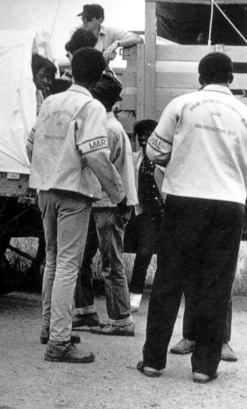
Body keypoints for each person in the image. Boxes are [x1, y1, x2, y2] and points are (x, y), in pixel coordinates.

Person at [138, 52, 247, 383]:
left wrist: (182, 160)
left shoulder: (182, 105)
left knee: (169, 280)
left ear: (200, 77)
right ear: (231, 78)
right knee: (216, 284)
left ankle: (153, 362)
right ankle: (204, 367)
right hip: (229, 204)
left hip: (185, 200)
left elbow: (155, 152)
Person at [30, 48, 126, 364]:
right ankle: (59, 342)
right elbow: (96, 155)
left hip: (45, 189)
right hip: (73, 193)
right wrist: (118, 193)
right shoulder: (91, 106)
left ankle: (49, 328)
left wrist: (47, 167)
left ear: (72, 68)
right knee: (68, 265)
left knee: (54, 261)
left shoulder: (50, 102)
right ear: (99, 78)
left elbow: (30, 143)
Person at [72, 74, 138, 337]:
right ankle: (85, 311)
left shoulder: (107, 129)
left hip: (107, 204)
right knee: (83, 259)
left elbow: (100, 168)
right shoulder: (112, 125)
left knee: (111, 263)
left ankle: (121, 319)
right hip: (103, 203)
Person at [127, 119, 163, 313]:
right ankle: (135, 297)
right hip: (148, 215)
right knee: (143, 253)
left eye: (148, 135)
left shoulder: (166, 159)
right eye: (140, 135)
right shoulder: (136, 159)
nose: (143, 139)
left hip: (168, 215)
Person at [77, 4, 143, 63]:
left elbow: (137, 38)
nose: (84, 22)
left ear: (100, 20)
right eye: (83, 18)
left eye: (89, 19)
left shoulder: (109, 32)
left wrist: (117, 43)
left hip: (100, 74)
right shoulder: (76, 33)